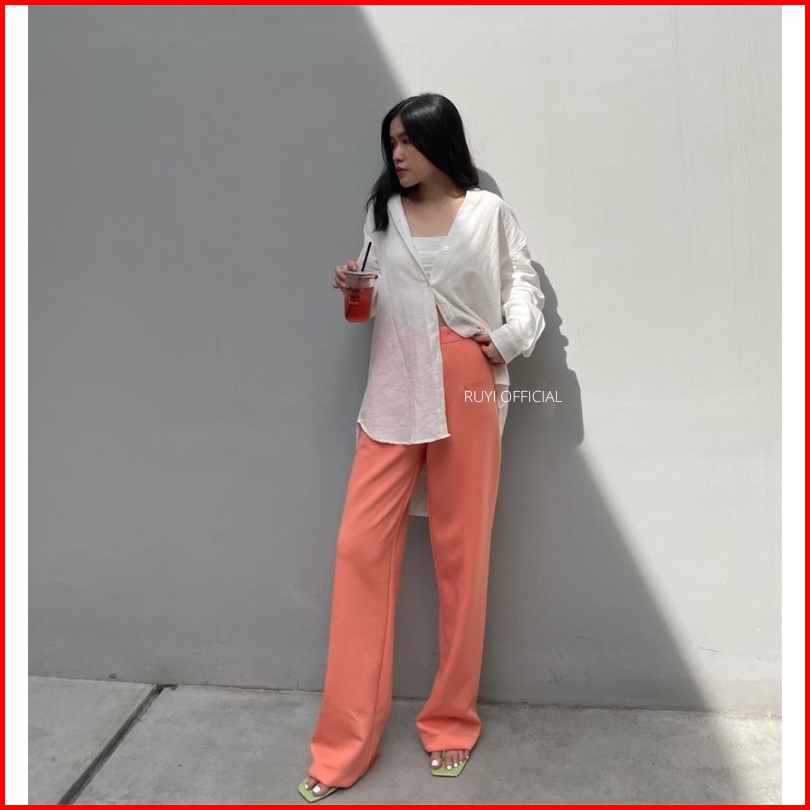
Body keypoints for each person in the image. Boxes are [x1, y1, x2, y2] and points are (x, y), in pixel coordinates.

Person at [298, 93, 545, 802]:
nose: (397, 154)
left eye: (408, 140)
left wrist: (503, 342)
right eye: (392, 143)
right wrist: (352, 290)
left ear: (441, 141)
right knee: (359, 551)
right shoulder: (383, 214)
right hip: (394, 385)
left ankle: (450, 722)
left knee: (462, 556)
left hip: (467, 382)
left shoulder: (488, 213)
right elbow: (369, 306)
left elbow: (524, 289)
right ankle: (344, 745)